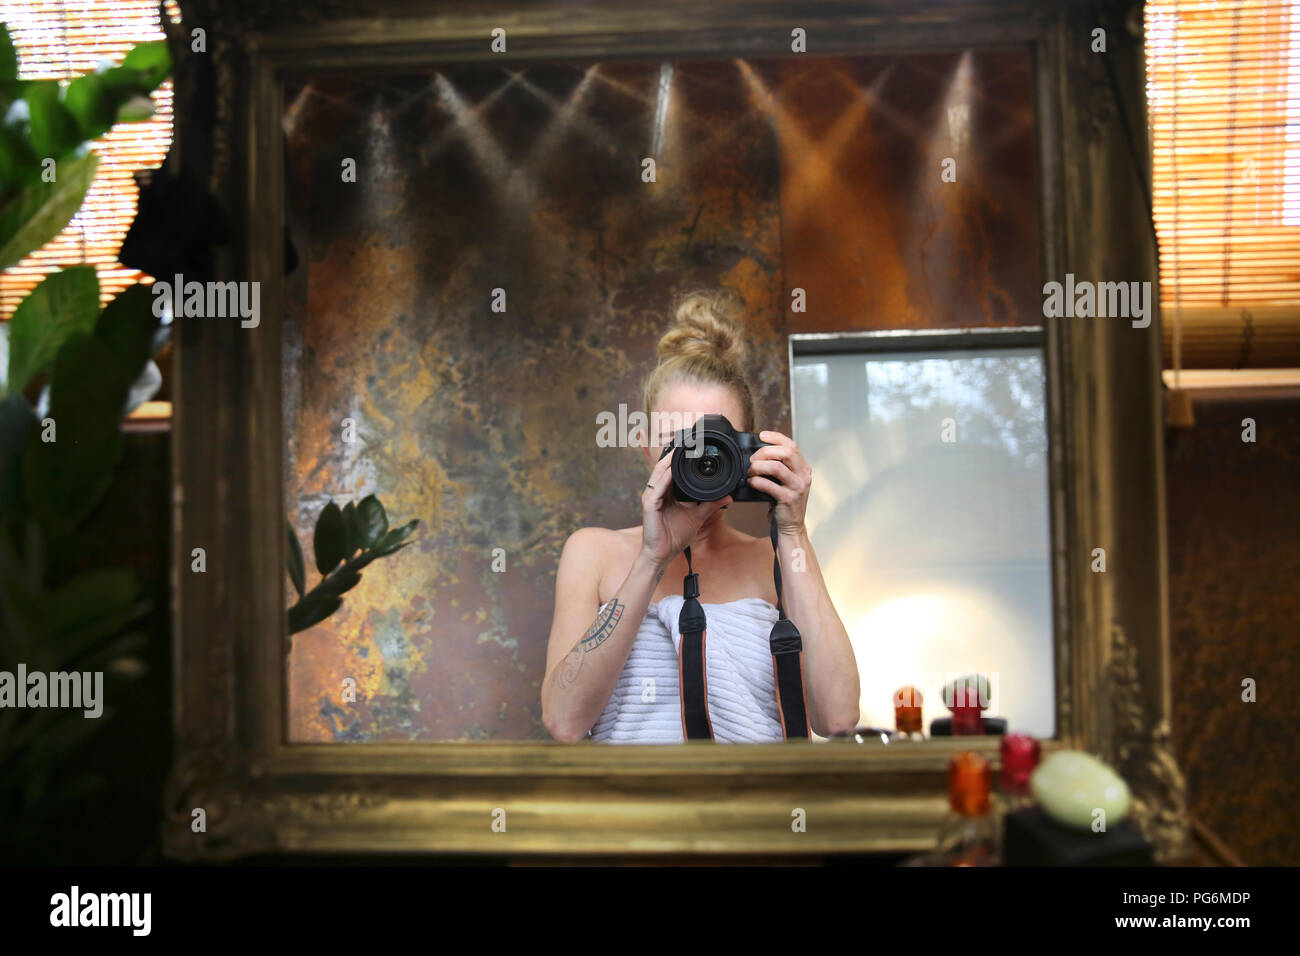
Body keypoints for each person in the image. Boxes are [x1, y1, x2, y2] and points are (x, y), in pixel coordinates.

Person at [541, 290, 860, 743]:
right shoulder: (593, 553)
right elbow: (563, 721)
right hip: (633, 810)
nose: (700, 458)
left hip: (757, 810)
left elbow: (839, 717)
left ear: (749, 450)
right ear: (646, 445)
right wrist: (652, 559)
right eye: (680, 441)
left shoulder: (774, 560)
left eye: (716, 442)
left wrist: (792, 530)